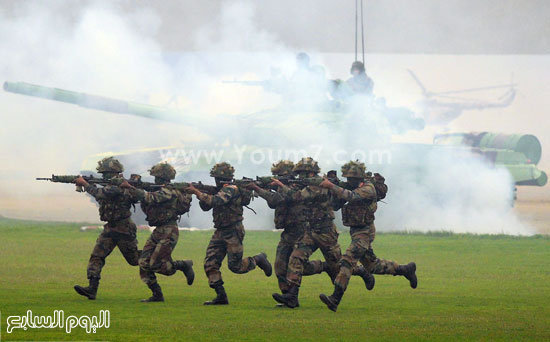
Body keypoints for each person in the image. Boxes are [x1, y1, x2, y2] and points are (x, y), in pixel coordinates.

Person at [271, 157, 373, 309]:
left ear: (311, 173)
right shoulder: (310, 184)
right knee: (296, 257)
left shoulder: (318, 185)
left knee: (337, 266)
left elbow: (296, 197)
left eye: (303, 174)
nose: (301, 177)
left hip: (326, 232)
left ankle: (362, 271)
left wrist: (280, 185)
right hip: (311, 230)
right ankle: (292, 296)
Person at [319, 161, 417, 312]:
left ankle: (335, 298)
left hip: (365, 232)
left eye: (351, 179)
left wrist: (332, 186)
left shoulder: (368, 188)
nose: (348, 181)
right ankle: (405, 270)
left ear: (358, 178)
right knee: (373, 265)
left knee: (348, 260)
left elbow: (351, 196)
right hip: (356, 231)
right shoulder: (353, 186)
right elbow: (337, 203)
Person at [186, 162, 272, 305]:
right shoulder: (220, 189)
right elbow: (206, 207)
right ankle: (221, 296)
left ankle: (258, 260)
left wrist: (197, 192)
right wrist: (201, 193)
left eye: (217, 177)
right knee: (210, 263)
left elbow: (216, 201)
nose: (216, 180)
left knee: (235, 266)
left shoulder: (231, 189)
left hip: (233, 231)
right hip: (220, 231)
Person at [246, 160, 325, 307]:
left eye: (280, 176)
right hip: (289, 232)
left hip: (302, 231)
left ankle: (323, 267)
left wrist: (257, 188)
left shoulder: (296, 187)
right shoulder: (284, 187)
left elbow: (276, 199)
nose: (277, 178)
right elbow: (273, 203)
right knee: (280, 265)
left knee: (295, 264)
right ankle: (288, 297)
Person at [121, 162, 194, 302]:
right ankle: (157, 295)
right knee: (143, 262)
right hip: (159, 230)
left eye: (156, 177)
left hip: (169, 230)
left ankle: (183, 265)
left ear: (161, 178)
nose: (154, 180)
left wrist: (130, 188)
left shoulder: (169, 191)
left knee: (157, 264)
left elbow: (150, 197)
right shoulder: (160, 189)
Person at [73, 157, 140, 300]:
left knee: (135, 260)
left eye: (105, 173)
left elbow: (101, 194)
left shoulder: (120, 185)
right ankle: (92, 288)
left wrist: (85, 184)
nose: (103, 176)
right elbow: (102, 198)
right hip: (111, 228)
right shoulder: (111, 185)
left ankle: (175, 264)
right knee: (97, 256)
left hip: (124, 228)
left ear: (114, 172)